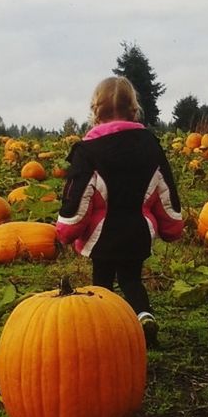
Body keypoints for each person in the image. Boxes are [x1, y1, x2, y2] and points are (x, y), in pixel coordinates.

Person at [56, 76, 183, 347]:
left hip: (102, 236)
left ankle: (102, 332)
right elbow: (166, 191)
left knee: (101, 282)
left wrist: (66, 231)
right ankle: (144, 315)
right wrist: (172, 227)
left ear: (95, 113)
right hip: (137, 232)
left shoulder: (87, 152)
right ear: (134, 110)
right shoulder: (149, 145)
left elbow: (78, 198)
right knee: (131, 278)